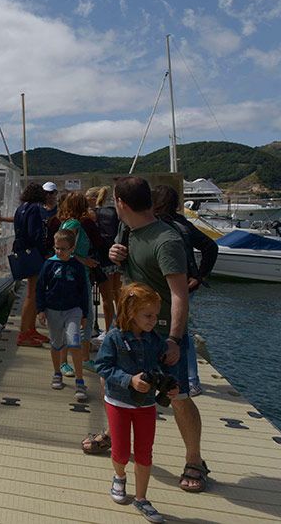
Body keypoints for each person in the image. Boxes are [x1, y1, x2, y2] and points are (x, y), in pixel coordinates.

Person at [109, 176, 208, 493]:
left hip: (161, 334)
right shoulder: (129, 232)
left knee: (177, 397)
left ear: (122, 203)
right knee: (112, 383)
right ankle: (113, 436)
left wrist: (175, 341)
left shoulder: (165, 240)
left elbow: (179, 294)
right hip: (128, 329)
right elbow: (127, 273)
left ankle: (194, 459)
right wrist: (116, 255)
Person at [95, 283, 175, 523]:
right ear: (131, 313)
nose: (153, 321)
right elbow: (102, 366)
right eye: (148, 316)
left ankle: (141, 498)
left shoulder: (155, 340)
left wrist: (170, 383)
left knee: (144, 451)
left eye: (155, 316)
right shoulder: (114, 338)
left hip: (146, 405)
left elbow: (163, 364)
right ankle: (119, 477)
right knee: (120, 451)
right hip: (118, 402)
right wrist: (129, 380)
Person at [151, 184, 218, 397]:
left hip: (167, 284)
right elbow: (210, 247)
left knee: (176, 331)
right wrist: (200, 276)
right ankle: (189, 379)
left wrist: (199, 277)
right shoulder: (183, 223)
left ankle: (189, 379)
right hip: (187, 283)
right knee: (180, 329)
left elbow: (210, 248)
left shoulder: (159, 225)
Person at [48, 191, 104, 374]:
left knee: (85, 318)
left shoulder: (69, 223)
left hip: (78, 275)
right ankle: (65, 361)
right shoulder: (74, 224)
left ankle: (84, 358)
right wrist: (85, 260)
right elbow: (63, 251)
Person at [38, 228, 90, 402]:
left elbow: (84, 291)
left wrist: (85, 313)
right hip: (53, 310)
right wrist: (40, 309)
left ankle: (80, 381)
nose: (59, 252)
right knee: (56, 344)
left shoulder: (77, 266)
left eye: (63, 249)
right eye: (57, 248)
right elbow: (41, 287)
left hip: (73, 310)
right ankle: (57, 372)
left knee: (74, 342)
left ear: (72, 248)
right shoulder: (49, 264)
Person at [12, 183, 50, 346]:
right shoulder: (35, 208)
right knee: (32, 293)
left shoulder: (21, 208)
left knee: (33, 292)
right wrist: (45, 252)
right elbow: (35, 233)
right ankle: (23, 334)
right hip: (33, 253)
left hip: (22, 251)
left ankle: (30, 329)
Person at [89, 185, 122, 335]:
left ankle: (109, 332)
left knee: (106, 299)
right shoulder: (113, 212)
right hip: (115, 258)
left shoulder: (92, 214)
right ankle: (121, 327)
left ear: (93, 199)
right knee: (117, 296)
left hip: (101, 259)